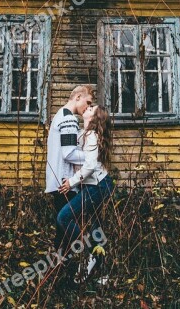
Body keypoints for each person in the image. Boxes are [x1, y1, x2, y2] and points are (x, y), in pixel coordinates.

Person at [57, 104, 115, 284]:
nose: (87, 108)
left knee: (64, 217)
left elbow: (89, 166)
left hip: (97, 187)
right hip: (101, 185)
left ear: (96, 118)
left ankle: (87, 254)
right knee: (97, 230)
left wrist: (70, 182)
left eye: (91, 108)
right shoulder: (86, 133)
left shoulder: (91, 135)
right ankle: (103, 273)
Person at [45, 85, 93, 253]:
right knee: (65, 230)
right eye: (87, 102)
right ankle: (66, 267)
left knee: (62, 229)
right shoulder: (69, 119)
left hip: (57, 181)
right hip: (65, 183)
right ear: (78, 97)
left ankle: (58, 269)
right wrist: (92, 158)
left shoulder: (61, 115)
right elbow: (69, 153)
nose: (87, 107)